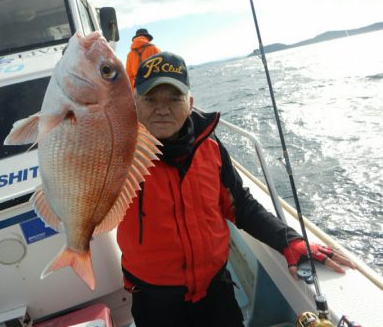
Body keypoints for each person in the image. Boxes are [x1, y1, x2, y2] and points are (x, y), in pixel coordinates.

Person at [117, 52, 356, 327]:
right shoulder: (116, 152)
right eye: (150, 99)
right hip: (154, 301)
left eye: (174, 98)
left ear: (190, 102)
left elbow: (239, 204)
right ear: (134, 103)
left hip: (216, 291)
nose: (162, 108)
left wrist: (288, 240)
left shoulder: (211, 146)